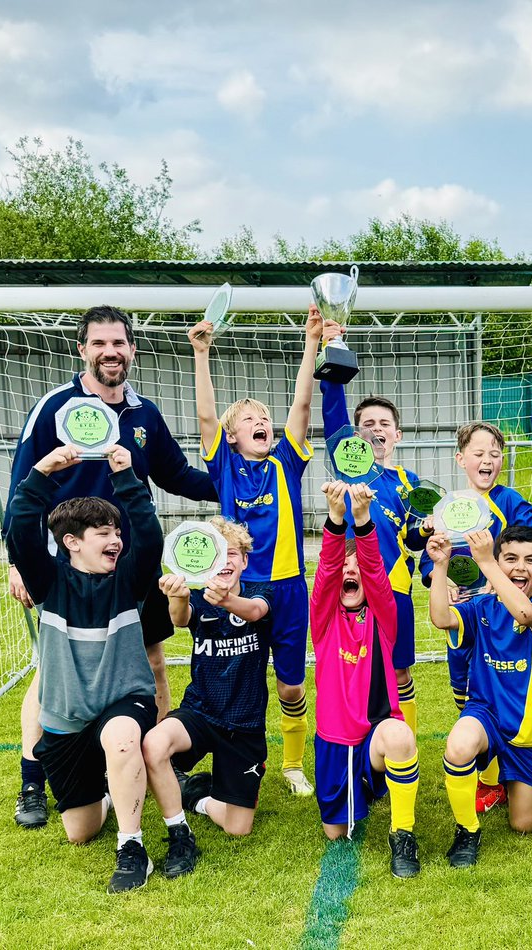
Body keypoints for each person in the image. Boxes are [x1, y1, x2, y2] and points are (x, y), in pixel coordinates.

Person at [4, 305, 219, 830]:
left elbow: (175, 473)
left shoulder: (144, 414)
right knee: (53, 673)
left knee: (151, 659)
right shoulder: (56, 407)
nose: (110, 352)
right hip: (66, 569)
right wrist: (18, 560)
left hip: (132, 564)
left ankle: (159, 764)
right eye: (99, 343)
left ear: (132, 350)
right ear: (83, 349)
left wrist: (243, 489)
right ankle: (35, 780)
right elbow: (22, 484)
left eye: (119, 343)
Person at [5, 443, 163, 893]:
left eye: (115, 531)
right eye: (102, 532)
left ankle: (132, 848)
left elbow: (149, 536)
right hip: (67, 719)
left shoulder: (128, 577)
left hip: (122, 700)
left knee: (121, 734)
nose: (115, 540)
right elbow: (20, 529)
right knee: (80, 830)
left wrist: (126, 478)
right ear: (71, 542)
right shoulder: (48, 579)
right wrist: (41, 471)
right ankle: (112, 789)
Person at [188, 306, 323, 796]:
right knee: (240, 684)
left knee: (289, 686)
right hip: (238, 588)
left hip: (287, 588)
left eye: (264, 416)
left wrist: (312, 343)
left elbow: (302, 409)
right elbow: (206, 414)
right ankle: (227, 758)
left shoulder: (287, 459)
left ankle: (291, 764)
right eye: (249, 419)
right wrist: (202, 354)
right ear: (233, 434)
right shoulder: (223, 464)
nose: (262, 421)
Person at [415, 420, 532, 813]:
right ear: (461, 459)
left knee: (505, 682)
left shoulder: (508, 500)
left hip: (502, 612)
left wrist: (503, 569)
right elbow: (428, 561)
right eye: (479, 452)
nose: (487, 459)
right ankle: (487, 766)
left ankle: (503, 772)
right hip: (462, 614)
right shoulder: (448, 507)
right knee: (467, 691)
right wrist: (439, 578)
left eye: (494, 453)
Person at [142, 516, 272, 878]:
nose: (228, 560)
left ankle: (197, 796)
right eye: (221, 554)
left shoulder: (262, 590)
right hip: (201, 711)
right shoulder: (199, 596)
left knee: (238, 827)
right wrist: (178, 597)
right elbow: (181, 618)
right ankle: (179, 833)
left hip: (244, 724)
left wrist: (229, 600)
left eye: (234, 553)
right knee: (153, 744)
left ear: (245, 560)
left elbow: (256, 612)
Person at [427, 525, 532, 867]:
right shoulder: (481, 606)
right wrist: (440, 566)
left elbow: (525, 614)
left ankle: (512, 785)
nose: (519, 567)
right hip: (484, 714)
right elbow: (441, 617)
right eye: (510, 559)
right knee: (457, 746)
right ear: (500, 562)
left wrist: (487, 563)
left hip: (525, 733)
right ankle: (467, 831)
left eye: (530, 561)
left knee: (523, 825)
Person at [310, 481, 421, 879]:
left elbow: (374, 569)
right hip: (335, 746)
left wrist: (362, 519)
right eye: (345, 570)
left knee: (399, 735)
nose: (350, 573)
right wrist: (336, 519)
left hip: (374, 738)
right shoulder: (323, 621)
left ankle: (403, 834)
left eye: (356, 570)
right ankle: (367, 791)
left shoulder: (383, 618)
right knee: (335, 834)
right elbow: (326, 569)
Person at [321, 336, 425, 734]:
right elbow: (333, 414)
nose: (376, 430)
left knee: (398, 672)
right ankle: (358, 735)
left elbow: (418, 540)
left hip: (394, 588)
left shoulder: (411, 483)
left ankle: (404, 741)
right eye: (367, 425)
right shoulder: (351, 470)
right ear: (355, 437)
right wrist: (334, 354)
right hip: (349, 588)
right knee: (352, 666)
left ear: (397, 435)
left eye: (384, 424)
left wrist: (428, 545)